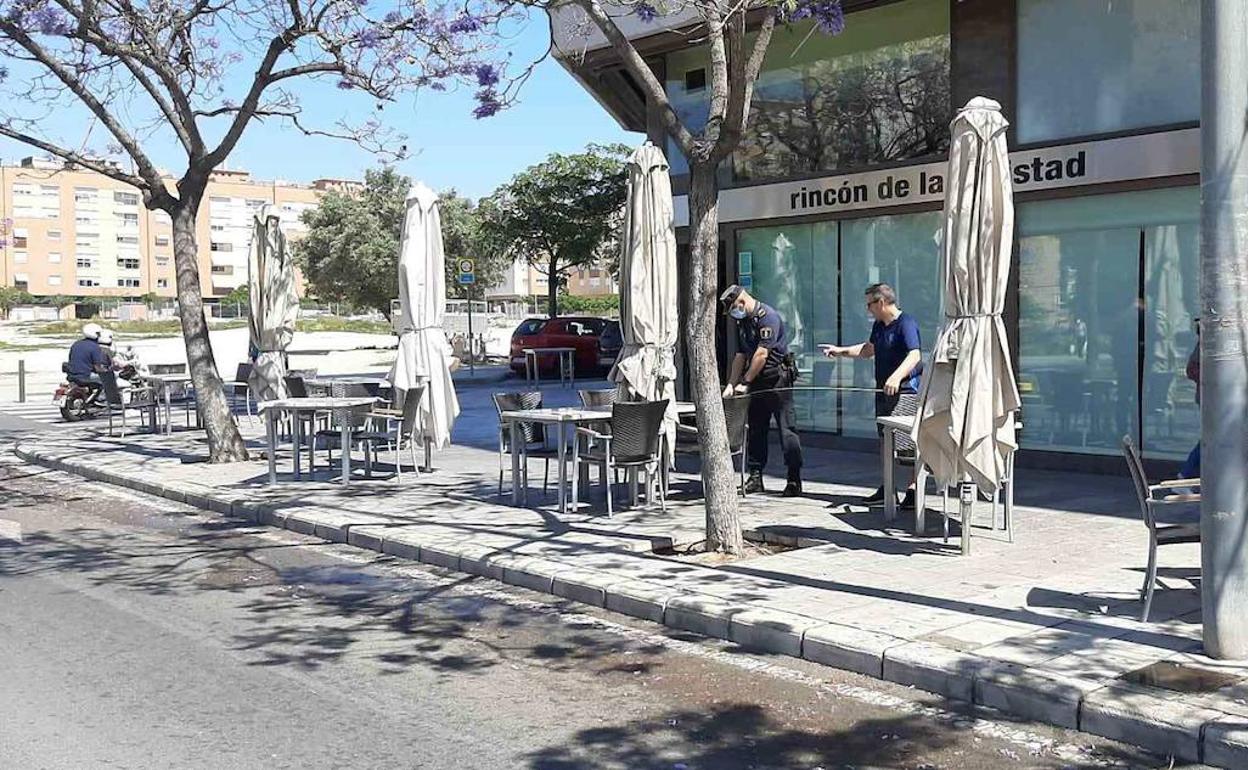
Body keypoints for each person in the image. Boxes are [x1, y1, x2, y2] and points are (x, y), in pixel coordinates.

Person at [821, 283, 923, 509]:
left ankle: (914, 490)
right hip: (882, 390)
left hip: (905, 391)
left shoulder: (905, 323)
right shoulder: (879, 325)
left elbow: (914, 355)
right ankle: (888, 488)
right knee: (885, 440)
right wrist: (840, 351)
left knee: (907, 443)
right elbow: (868, 349)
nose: (868, 310)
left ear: (881, 302)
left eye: (870, 304)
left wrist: (896, 377)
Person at [720, 284, 803, 496]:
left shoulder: (768, 317)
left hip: (777, 379)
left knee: (787, 429)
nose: (733, 314)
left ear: (741, 301)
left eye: (733, 309)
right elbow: (741, 355)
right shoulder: (743, 322)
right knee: (757, 429)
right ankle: (756, 476)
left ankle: (794, 479)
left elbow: (761, 354)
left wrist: (746, 381)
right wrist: (731, 383)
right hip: (756, 381)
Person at [1180, 318, 1201, 479]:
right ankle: (1186, 474)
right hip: (1212, 399)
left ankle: (1186, 474)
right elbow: (1191, 370)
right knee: (1213, 438)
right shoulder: (1205, 345)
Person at [65, 322, 109, 393]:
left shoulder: (76, 344)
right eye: (98, 333)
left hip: (72, 375)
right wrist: (106, 372)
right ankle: (104, 398)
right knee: (110, 378)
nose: (99, 335)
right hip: (85, 375)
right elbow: (98, 367)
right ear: (94, 334)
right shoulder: (95, 347)